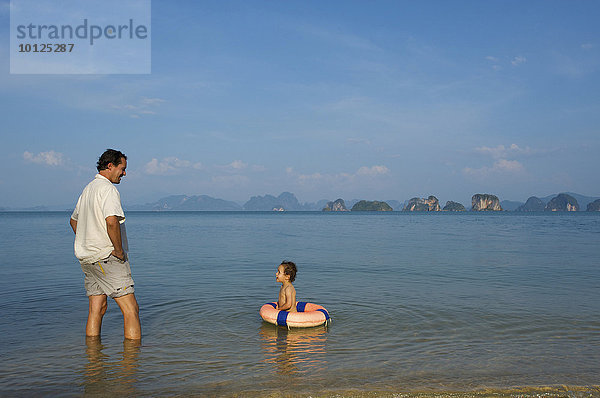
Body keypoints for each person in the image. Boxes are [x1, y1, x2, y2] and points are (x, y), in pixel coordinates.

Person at [70, 149, 141, 340]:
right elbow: (111, 221)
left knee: (97, 308)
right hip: (107, 257)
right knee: (131, 309)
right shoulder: (108, 189)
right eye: (122, 168)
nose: (124, 173)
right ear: (110, 166)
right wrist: (118, 251)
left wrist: (89, 241)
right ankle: (132, 363)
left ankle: (93, 358)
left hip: (87, 258)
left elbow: (74, 221)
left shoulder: (88, 189)